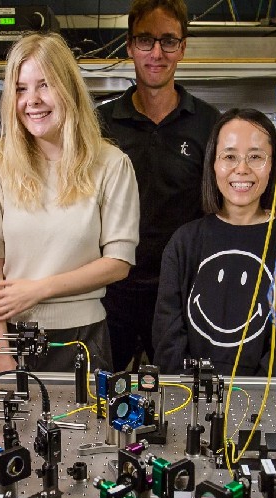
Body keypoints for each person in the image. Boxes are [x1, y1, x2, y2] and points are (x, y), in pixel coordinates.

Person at [0, 33, 140, 373]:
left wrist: (38, 290)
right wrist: (1, 347)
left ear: (69, 89)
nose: (31, 100)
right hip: (14, 337)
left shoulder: (112, 164)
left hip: (85, 337)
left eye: (44, 85)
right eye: (20, 88)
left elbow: (118, 263)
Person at [153, 108, 276, 376]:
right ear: (213, 163)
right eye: (229, 156)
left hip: (261, 402)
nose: (241, 169)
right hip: (190, 396)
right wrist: (192, 390)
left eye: (255, 157)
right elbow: (167, 335)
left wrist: (255, 394)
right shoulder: (185, 241)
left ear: (273, 166)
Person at [98, 0, 220, 373]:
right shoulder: (100, 124)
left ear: (183, 47)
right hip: (111, 291)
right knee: (105, 397)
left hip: (180, 293)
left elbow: (218, 211)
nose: (156, 52)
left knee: (178, 400)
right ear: (130, 46)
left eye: (168, 41)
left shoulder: (208, 124)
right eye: (145, 40)